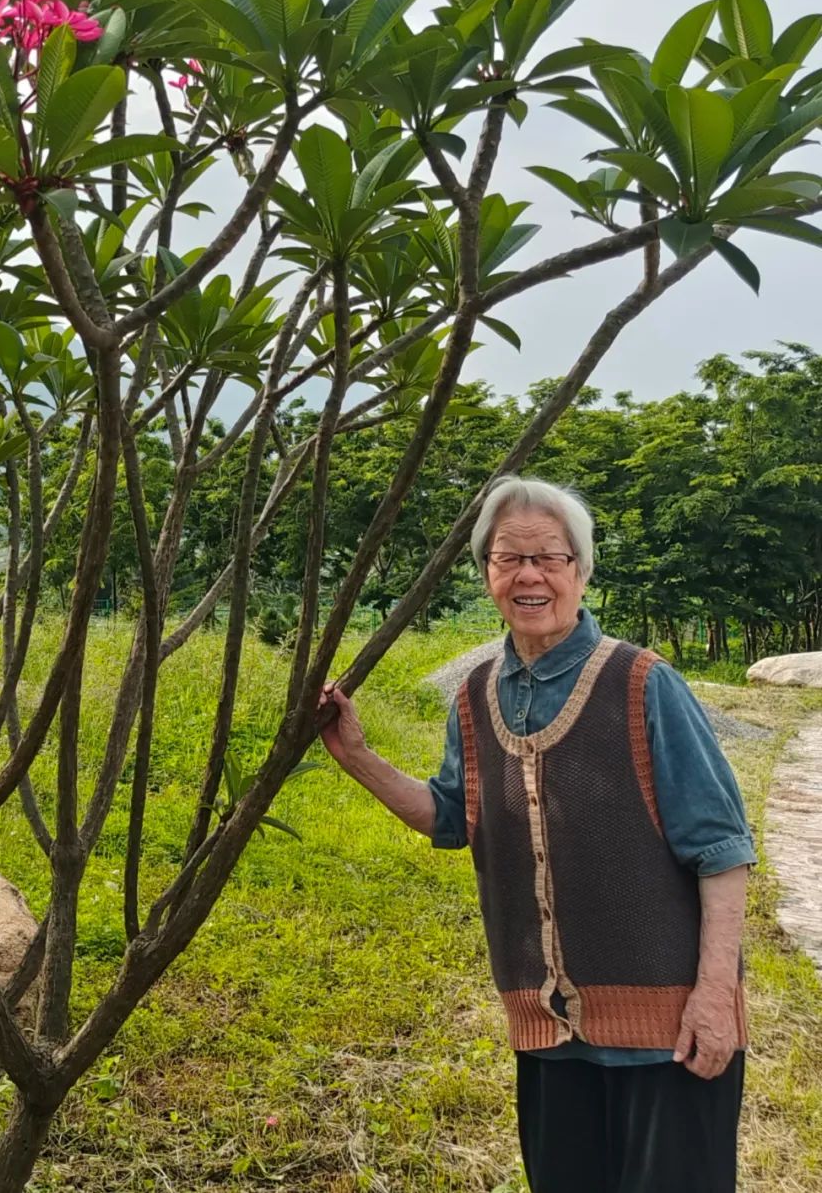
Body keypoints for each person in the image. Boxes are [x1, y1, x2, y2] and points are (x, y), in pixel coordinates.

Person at [320, 475, 755, 1193]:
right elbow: (453, 817)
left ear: (580, 571)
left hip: (668, 1035)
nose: (529, 574)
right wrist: (359, 758)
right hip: (550, 1035)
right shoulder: (475, 692)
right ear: (487, 574)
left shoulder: (644, 682)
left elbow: (723, 851)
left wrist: (715, 996)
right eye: (508, 557)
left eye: (549, 557)